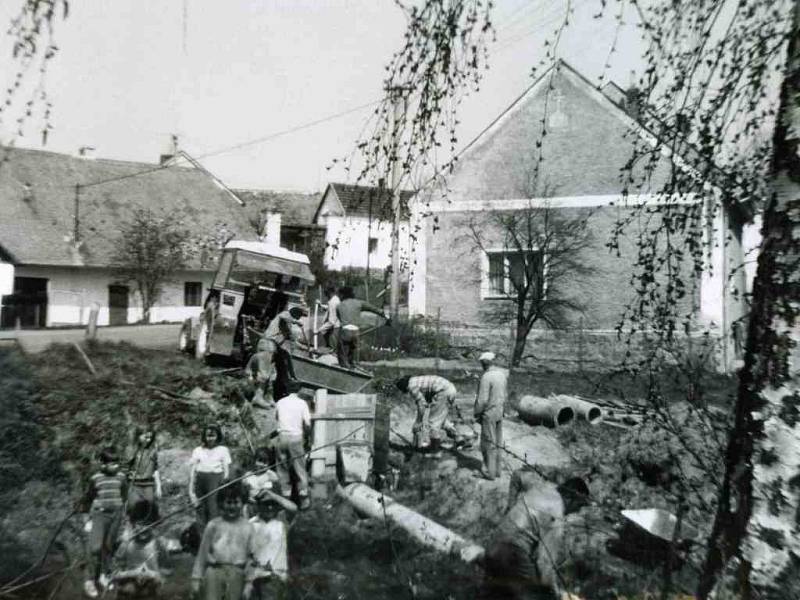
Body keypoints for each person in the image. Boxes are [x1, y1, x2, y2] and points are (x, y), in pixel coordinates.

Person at [481, 470, 590, 600]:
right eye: (578, 505)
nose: (577, 511)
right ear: (570, 498)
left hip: (494, 542)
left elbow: (517, 475)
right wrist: (554, 593)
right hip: (511, 554)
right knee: (540, 594)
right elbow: (544, 562)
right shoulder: (557, 518)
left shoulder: (541, 485)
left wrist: (510, 506)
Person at [81, 446, 128, 599]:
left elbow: (124, 494)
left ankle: (103, 574)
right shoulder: (96, 478)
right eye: (111, 464)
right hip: (100, 515)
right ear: (102, 463)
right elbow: (88, 499)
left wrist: (122, 514)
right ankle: (89, 580)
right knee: (95, 547)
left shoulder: (121, 477)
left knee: (108, 546)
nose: (115, 466)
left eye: (116, 463)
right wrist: (87, 519)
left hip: (116, 514)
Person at [191, 483, 252, 600]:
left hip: (237, 572)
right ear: (221, 504)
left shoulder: (248, 527)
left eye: (236, 502)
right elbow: (202, 554)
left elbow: (252, 557)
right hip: (215, 571)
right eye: (228, 502)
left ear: (243, 504)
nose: (232, 506)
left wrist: (249, 582)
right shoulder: (213, 525)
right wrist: (196, 578)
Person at [244, 489, 298, 600]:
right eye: (265, 504)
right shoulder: (251, 524)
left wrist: (273, 495)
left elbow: (294, 509)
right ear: (258, 506)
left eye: (272, 504)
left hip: (275, 577)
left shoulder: (281, 522)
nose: (270, 508)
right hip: (254, 577)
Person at [112, 501, 170, 599]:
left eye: (148, 524)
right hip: (129, 589)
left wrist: (154, 574)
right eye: (140, 524)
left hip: (151, 589)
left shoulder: (158, 543)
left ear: (154, 524)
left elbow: (167, 569)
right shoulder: (126, 544)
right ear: (133, 524)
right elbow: (114, 573)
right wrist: (133, 573)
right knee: (128, 589)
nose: (144, 528)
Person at [395, 375, 460, 452]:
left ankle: (434, 449)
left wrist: (417, 423)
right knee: (440, 419)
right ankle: (458, 437)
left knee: (433, 422)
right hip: (450, 389)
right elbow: (427, 399)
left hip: (443, 392)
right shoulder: (416, 380)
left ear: (403, 386)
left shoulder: (411, 386)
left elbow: (421, 404)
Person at [274, 381, 312, 510]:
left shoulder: (280, 402)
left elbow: (277, 418)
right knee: (300, 467)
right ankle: (303, 497)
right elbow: (307, 423)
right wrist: (308, 437)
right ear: (299, 390)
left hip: (282, 437)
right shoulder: (302, 404)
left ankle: (286, 498)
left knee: (282, 468)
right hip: (296, 437)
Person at [189, 425, 232, 530]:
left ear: (218, 436)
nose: (210, 438)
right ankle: (202, 537)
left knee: (213, 508)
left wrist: (224, 483)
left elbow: (226, 470)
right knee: (200, 508)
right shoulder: (198, 450)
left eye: (213, 436)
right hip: (200, 481)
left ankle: (214, 536)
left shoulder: (223, 450)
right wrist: (191, 491)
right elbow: (193, 471)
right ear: (204, 436)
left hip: (215, 480)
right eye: (208, 436)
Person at [474, 351, 508, 480]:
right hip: (499, 411)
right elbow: (505, 395)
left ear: (484, 363)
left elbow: (482, 400)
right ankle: (497, 470)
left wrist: (477, 413)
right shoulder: (502, 375)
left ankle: (489, 472)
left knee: (488, 443)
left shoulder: (486, 377)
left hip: (489, 413)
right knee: (498, 442)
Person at [335, 286, 387, 369]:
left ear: (342, 295)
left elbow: (340, 318)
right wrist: (385, 316)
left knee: (342, 353)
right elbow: (374, 309)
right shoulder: (359, 303)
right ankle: (351, 366)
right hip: (356, 332)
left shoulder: (339, 306)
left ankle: (345, 368)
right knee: (351, 352)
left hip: (345, 331)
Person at [127, 426, 162, 522]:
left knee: (150, 503)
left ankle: (146, 527)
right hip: (135, 483)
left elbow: (156, 469)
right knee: (133, 505)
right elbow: (127, 465)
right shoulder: (133, 450)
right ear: (139, 436)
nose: (148, 440)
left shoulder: (153, 451)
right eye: (146, 437)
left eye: (150, 437)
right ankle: (132, 525)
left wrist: (159, 486)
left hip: (148, 483)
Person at [241, 447, 281, 517]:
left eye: (265, 462)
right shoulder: (248, 475)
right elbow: (244, 492)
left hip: (266, 506)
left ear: (269, 463)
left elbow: (277, 491)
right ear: (254, 460)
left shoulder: (271, 475)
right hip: (252, 505)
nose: (261, 465)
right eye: (259, 461)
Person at [315, 285, 340, 350]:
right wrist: (321, 305)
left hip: (335, 329)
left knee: (332, 348)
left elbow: (331, 322)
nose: (326, 295)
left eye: (326, 293)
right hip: (335, 327)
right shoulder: (335, 299)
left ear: (329, 292)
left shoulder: (333, 302)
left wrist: (319, 330)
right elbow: (329, 308)